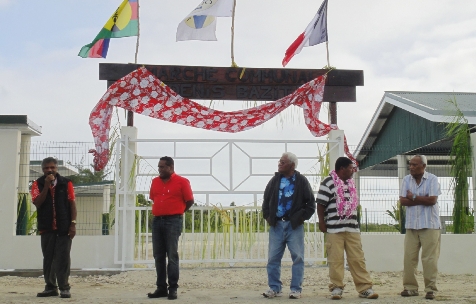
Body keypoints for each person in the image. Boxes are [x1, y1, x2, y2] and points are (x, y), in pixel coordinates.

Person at [316, 157, 378, 300]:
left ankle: (365, 288)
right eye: (351, 168)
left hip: (352, 229)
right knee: (335, 260)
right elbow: (320, 204)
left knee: (357, 259)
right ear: (342, 169)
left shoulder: (351, 183)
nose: (353, 170)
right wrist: (321, 222)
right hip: (334, 229)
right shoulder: (328, 182)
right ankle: (336, 288)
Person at [261, 152, 316, 299]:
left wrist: (300, 218)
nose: (279, 164)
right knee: (273, 258)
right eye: (279, 161)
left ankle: (296, 289)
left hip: (294, 226)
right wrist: (267, 216)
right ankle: (274, 287)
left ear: (292, 165)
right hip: (276, 225)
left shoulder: (301, 181)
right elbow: (266, 200)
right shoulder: (274, 181)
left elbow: (310, 203)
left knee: (298, 257)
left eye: (283, 162)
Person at [147, 156, 194, 300]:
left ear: (171, 167)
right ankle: (161, 288)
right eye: (159, 167)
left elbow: (190, 200)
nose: (159, 170)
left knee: (172, 255)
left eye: (162, 167)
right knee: (158, 255)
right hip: (157, 221)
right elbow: (154, 199)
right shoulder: (155, 182)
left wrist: (178, 212)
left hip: (173, 221)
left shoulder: (182, 182)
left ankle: (173, 288)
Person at [31, 157, 77, 298]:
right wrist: (46, 186)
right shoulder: (36, 184)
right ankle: (50, 287)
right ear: (43, 169)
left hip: (64, 227)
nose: (49, 170)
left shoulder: (66, 183)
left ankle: (64, 287)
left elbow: (72, 203)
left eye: (52, 167)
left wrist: (73, 223)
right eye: (46, 168)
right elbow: (37, 202)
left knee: (63, 258)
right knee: (48, 258)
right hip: (46, 227)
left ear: (57, 168)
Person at [399, 154, 441, 300]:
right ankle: (410, 288)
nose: (411, 167)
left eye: (415, 165)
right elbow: (403, 201)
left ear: (423, 166)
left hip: (430, 225)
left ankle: (430, 289)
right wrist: (421, 199)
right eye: (410, 164)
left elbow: (432, 200)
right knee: (409, 258)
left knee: (429, 259)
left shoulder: (432, 179)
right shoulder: (406, 180)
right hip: (411, 225)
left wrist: (414, 197)